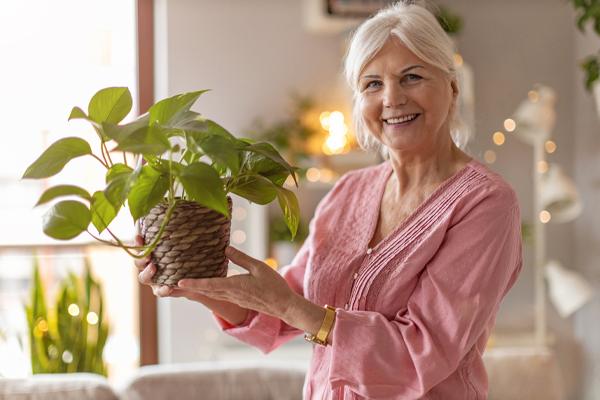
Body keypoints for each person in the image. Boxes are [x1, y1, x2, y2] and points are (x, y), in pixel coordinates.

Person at [136, 2, 523, 399]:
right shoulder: (348, 192)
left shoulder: (486, 203)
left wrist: (292, 309)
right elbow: (284, 307)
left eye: (412, 77)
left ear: (452, 86)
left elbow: (421, 351)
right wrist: (192, 284)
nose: (392, 98)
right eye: (372, 84)